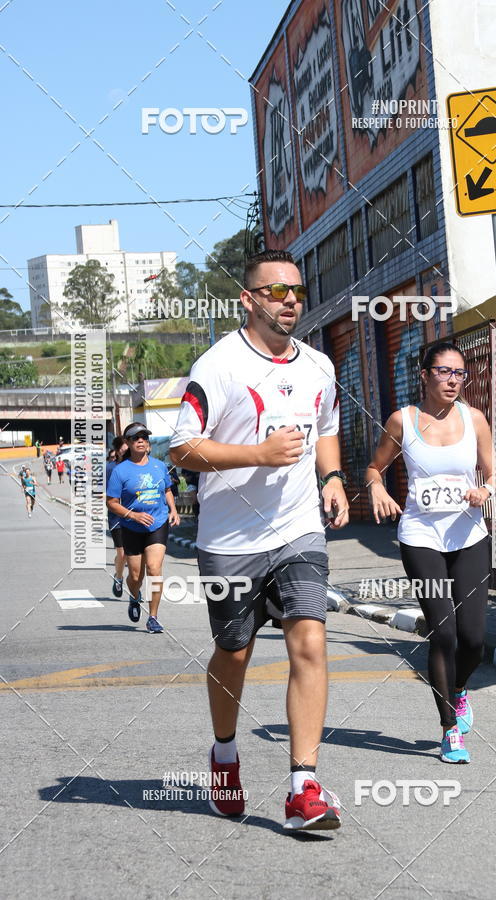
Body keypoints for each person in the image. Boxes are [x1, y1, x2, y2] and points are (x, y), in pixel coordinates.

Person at [170, 249, 349, 831]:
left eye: (297, 290)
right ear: (248, 300)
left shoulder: (319, 365)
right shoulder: (218, 366)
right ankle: (224, 755)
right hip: (230, 539)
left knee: (310, 643)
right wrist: (257, 454)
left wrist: (332, 478)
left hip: (298, 529)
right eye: (276, 291)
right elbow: (183, 447)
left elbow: (326, 428)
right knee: (235, 652)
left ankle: (304, 788)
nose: (290, 300)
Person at [366, 342, 494, 764]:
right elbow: (374, 467)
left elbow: (494, 470)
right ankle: (449, 730)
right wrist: (377, 488)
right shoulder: (401, 421)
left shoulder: (474, 419)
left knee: (473, 639)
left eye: (460, 373)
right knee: (444, 633)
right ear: (424, 375)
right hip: (421, 538)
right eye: (444, 371)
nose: (453, 380)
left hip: (469, 537)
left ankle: (458, 688)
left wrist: (485, 490)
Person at [107, 422, 180, 633]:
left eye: (144, 437)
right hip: (131, 527)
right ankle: (134, 596)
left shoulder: (159, 466)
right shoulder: (120, 471)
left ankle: (153, 617)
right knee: (135, 576)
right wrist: (133, 515)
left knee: (154, 569)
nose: (141, 440)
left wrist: (173, 509)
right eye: (136, 438)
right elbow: (111, 502)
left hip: (157, 523)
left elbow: (167, 489)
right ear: (128, 443)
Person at [106, 436, 129, 598]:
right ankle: (119, 577)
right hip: (117, 517)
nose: (126, 449)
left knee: (135, 556)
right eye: (123, 446)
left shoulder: (136, 465)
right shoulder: (110, 468)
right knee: (122, 554)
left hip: (136, 516)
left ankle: (135, 587)